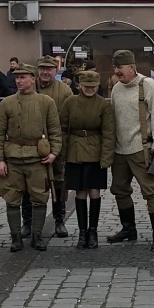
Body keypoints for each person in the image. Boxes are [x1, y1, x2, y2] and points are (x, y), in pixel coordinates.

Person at [0, 65, 62, 251]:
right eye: (16, 78)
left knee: (39, 198)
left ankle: (37, 236)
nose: (19, 81)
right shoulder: (6, 103)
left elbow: (55, 130)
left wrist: (54, 152)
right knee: (12, 199)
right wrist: (0, 160)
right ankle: (16, 237)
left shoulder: (45, 102)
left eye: (23, 77)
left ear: (33, 79)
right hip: (12, 159)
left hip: (37, 159)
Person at [106, 49, 154, 252]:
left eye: (120, 67)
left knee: (151, 191)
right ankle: (128, 229)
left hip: (142, 148)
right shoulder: (116, 89)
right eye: (115, 67)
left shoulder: (147, 85)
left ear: (132, 67)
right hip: (119, 150)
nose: (117, 71)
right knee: (119, 189)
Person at [60, 69, 115, 248]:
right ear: (79, 86)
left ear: (98, 86)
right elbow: (62, 128)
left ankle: (93, 231)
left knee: (94, 191)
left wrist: (106, 157)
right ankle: (82, 232)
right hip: (75, 151)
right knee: (80, 191)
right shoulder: (70, 102)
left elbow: (108, 133)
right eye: (86, 86)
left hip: (95, 150)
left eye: (93, 86)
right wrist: (62, 153)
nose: (89, 89)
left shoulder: (103, 105)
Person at [35, 56, 74, 238]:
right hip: (32, 144)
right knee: (31, 184)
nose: (45, 72)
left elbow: (68, 119)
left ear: (56, 70)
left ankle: (59, 221)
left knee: (59, 182)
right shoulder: (29, 86)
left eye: (49, 69)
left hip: (58, 142)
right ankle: (29, 223)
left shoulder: (64, 90)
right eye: (42, 68)